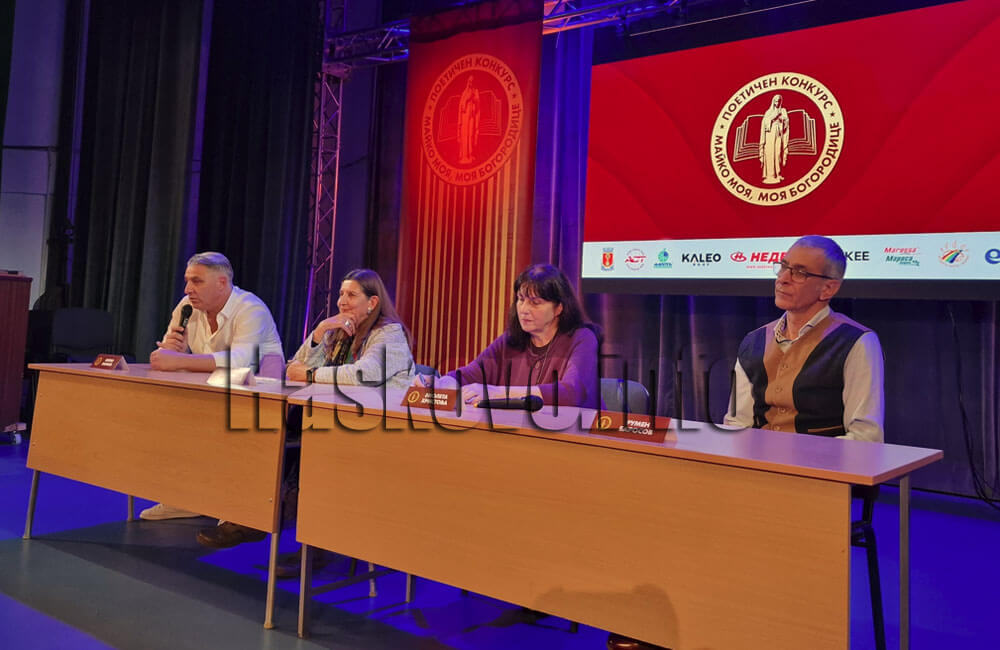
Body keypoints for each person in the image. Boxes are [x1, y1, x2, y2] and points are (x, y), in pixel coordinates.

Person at [141, 252, 284, 525]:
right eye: (187, 281)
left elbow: (242, 360)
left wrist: (180, 361)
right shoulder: (186, 307)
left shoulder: (250, 308)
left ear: (222, 283)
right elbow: (170, 354)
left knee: (225, 426)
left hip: (257, 397)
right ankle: (182, 497)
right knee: (169, 416)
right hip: (211, 391)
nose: (187, 289)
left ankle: (234, 508)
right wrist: (170, 351)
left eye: (196, 281)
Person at [723, 235, 884, 441]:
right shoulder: (754, 341)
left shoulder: (857, 342)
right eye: (783, 267)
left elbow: (866, 437)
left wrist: (800, 455)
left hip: (824, 460)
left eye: (799, 273)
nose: (783, 279)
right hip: (757, 459)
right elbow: (737, 423)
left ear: (828, 288)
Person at [416, 263, 601, 409]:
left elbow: (571, 393)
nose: (524, 309)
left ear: (559, 308)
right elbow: (470, 374)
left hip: (577, 435)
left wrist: (497, 393)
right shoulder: (510, 340)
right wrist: (440, 384)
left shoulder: (582, 338)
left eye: (535, 303)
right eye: (521, 300)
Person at [286, 268, 414, 389]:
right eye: (341, 294)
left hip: (380, 405)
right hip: (330, 402)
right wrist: (320, 330)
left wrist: (311, 374)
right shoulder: (334, 329)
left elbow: (365, 375)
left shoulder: (391, 334)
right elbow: (295, 370)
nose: (341, 302)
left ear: (372, 303)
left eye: (351, 295)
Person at [759, 94, 789, 185]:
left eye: (779, 100)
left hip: (779, 133)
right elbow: (765, 123)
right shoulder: (768, 112)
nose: (777, 102)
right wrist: (774, 117)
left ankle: (778, 173)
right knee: (770, 152)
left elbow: (786, 122)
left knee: (778, 153)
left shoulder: (783, 110)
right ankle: (770, 175)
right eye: (776, 100)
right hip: (770, 134)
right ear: (773, 101)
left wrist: (782, 119)